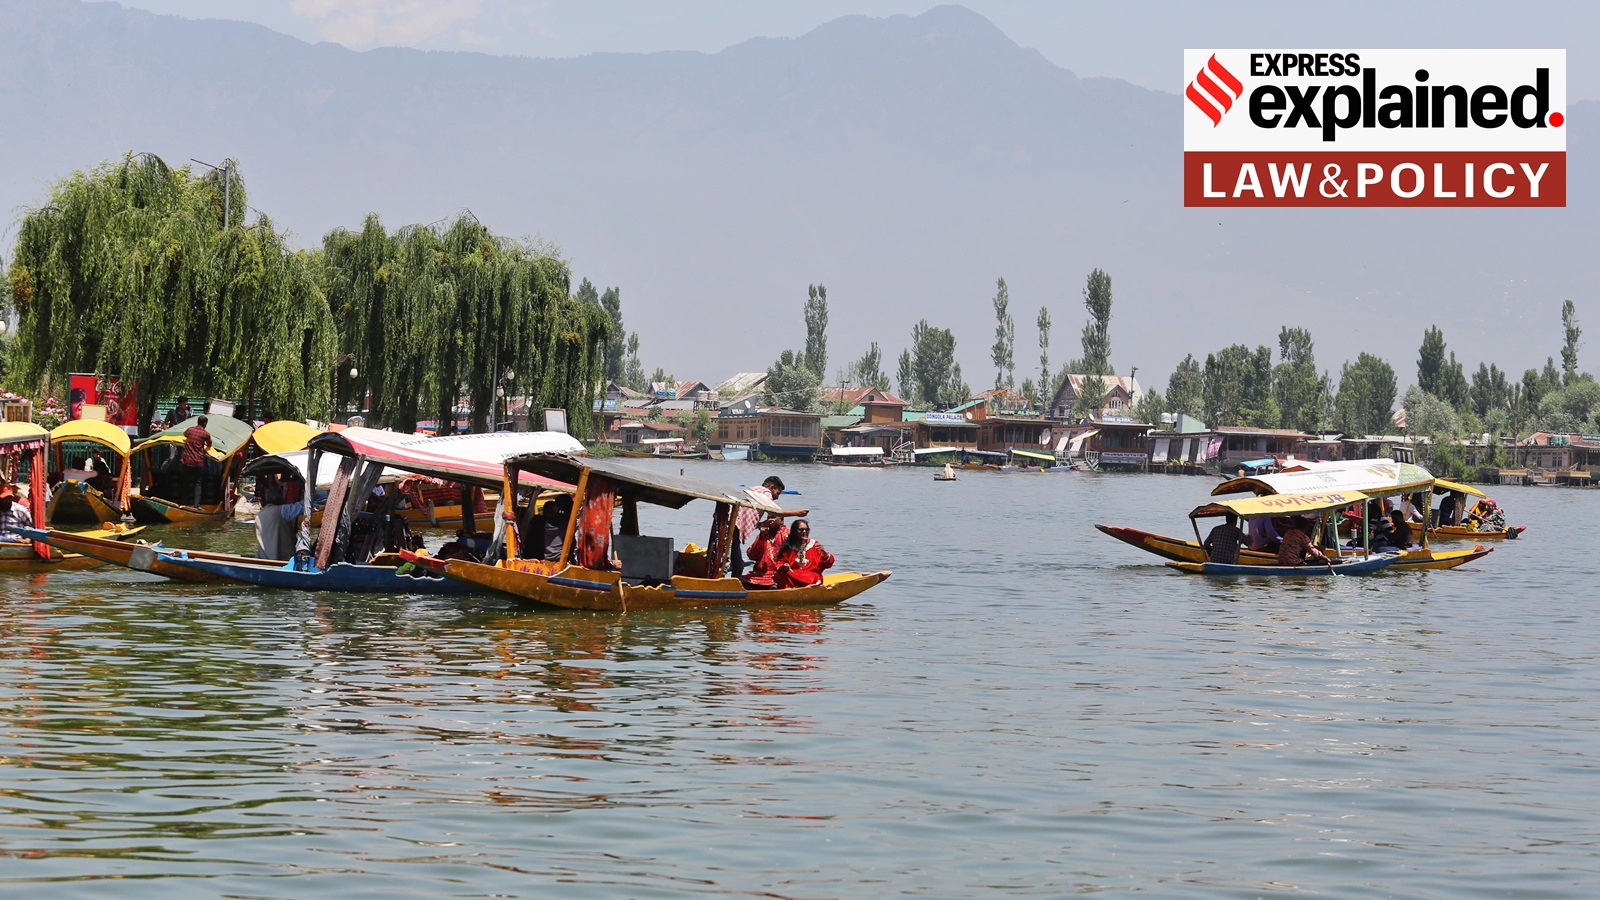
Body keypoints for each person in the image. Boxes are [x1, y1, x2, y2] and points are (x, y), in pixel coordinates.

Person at [729, 475, 808, 577]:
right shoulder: (765, 492)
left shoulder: (786, 534)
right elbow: (751, 554)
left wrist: (761, 524)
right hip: (734, 526)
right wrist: (796, 512)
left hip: (777, 573)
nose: (777, 497)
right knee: (737, 565)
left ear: (782, 521)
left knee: (737, 564)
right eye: (777, 493)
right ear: (771, 488)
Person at [774, 518, 835, 589]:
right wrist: (784, 566)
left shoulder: (814, 544)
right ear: (794, 531)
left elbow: (828, 564)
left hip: (811, 575)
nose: (804, 532)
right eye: (801, 530)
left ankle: (811, 586)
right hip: (794, 574)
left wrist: (824, 553)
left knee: (813, 577)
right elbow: (780, 562)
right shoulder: (788, 546)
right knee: (783, 574)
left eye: (807, 530)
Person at [254, 482, 307, 561]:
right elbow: (303, 506)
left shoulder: (259, 514)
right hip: (281, 559)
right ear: (281, 498)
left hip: (264, 558)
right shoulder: (283, 510)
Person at [180, 414, 212, 507]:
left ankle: (184, 503)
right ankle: (196, 505)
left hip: (186, 461)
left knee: (185, 482)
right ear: (205, 423)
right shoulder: (206, 434)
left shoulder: (190, 430)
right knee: (197, 483)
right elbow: (209, 444)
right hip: (198, 462)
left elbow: (184, 434)